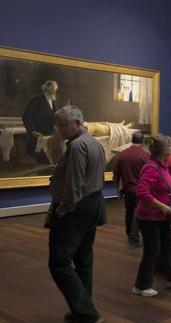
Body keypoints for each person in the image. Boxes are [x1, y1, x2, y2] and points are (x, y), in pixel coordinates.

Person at [48, 106, 106, 323]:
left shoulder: (77, 146)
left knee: (59, 261)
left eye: (64, 125)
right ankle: (81, 311)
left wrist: (61, 211)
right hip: (93, 204)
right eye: (58, 125)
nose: (60, 129)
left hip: (77, 208)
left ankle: (87, 313)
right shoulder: (94, 143)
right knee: (83, 260)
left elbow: (74, 186)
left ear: (77, 123)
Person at [132, 135, 171, 297]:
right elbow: (141, 192)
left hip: (161, 216)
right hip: (149, 217)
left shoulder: (162, 165)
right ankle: (141, 285)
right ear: (165, 150)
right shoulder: (151, 167)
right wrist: (163, 206)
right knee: (153, 250)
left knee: (169, 246)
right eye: (170, 147)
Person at [113, 132, 150, 248]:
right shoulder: (146, 156)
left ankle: (129, 234)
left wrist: (117, 189)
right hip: (141, 189)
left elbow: (116, 174)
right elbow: (149, 174)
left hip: (127, 189)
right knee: (137, 213)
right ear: (143, 141)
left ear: (131, 140)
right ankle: (133, 239)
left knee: (129, 212)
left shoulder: (122, 154)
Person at [22, 80, 61, 163]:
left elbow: (53, 117)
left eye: (55, 90)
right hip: (38, 136)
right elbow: (26, 117)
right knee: (41, 161)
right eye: (53, 89)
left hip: (49, 137)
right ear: (47, 89)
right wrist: (32, 131)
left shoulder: (52, 101)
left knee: (50, 160)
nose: (54, 91)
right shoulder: (36, 99)